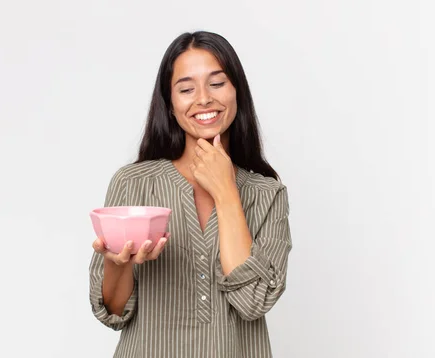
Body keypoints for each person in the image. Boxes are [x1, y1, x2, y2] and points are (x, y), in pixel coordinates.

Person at [89, 30, 292, 358]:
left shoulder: (267, 194)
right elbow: (113, 311)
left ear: (237, 91)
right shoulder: (132, 183)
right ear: (170, 105)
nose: (203, 99)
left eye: (217, 83)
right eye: (186, 88)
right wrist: (117, 265)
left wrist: (226, 191)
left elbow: (254, 301)